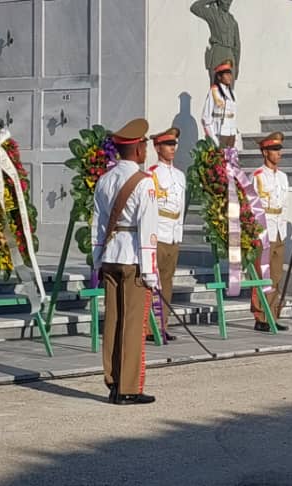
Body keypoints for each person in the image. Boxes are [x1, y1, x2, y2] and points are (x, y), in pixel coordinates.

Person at [91, 118, 160, 406]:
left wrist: (97, 258)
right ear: (139, 149)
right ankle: (129, 387)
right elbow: (148, 229)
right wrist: (151, 272)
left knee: (113, 322)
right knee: (132, 324)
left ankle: (113, 382)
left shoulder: (104, 179)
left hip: (110, 255)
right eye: (145, 145)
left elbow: (97, 223)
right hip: (133, 258)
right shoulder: (144, 183)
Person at [146, 127, 185, 343]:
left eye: (174, 144)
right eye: (168, 145)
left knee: (167, 282)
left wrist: (178, 231)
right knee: (153, 281)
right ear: (157, 148)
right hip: (158, 231)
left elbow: (181, 206)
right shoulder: (151, 174)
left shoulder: (179, 176)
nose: (172, 148)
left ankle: (162, 324)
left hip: (172, 233)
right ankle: (149, 327)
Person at [250, 132, 289, 332]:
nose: (278, 153)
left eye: (279, 149)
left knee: (276, 275)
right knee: (262, 274)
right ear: (265, 152)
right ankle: (260, 316)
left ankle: (272, 315)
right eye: (274, 150)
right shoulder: (257, 176)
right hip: (264, 229)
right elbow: (252, 206)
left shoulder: (283, 177)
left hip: (279, 228)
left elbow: (284, 203)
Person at [200, 60, 239, 149]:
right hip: (219, 132)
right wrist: (213, 138)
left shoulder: (232, 93)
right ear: (219, 76)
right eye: (226, 74)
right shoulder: (214, 91)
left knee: (230, 157)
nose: (229, 76)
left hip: (231, 132)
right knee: (220, 157)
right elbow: (206, 117)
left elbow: (234, 115)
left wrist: (236, 135)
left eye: (230, 74)